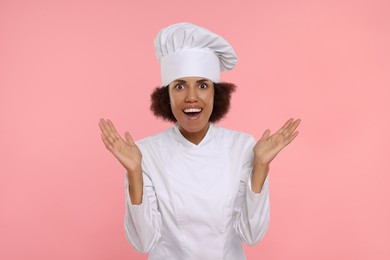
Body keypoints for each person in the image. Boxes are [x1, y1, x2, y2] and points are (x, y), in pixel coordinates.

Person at [99, 22, 300, 260]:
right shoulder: (144, 153)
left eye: (203, 85)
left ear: (216, 93)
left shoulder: (243, 147)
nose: (191, 97)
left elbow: (252, 235)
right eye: (180, 86)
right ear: (167, 95)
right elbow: (143, 242)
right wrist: (134, 172)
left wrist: (261, 167)